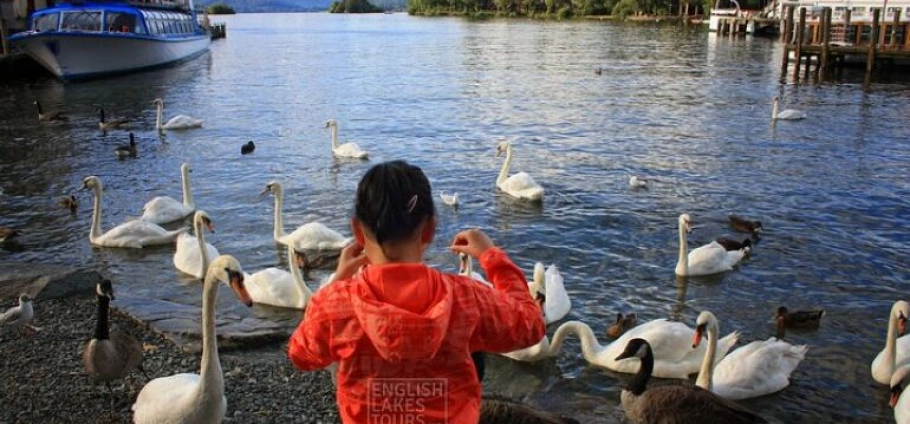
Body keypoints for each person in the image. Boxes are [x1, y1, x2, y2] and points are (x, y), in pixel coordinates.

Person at [287, 160, 546, 424]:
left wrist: (337, 281)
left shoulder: (336, 305)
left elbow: (301, 354)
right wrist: (493, 258)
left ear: (357, 230)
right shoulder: (467, 298)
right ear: (431, 229)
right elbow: (531, 324)